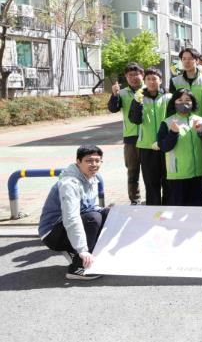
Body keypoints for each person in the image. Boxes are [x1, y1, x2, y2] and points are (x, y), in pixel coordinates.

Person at [38, 145, 108, 280]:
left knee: (107, 214)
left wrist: (110, 211)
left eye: (97, 160)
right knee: (93, 218)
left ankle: (87, 254)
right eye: (89, 161)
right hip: (52, 233)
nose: (94, 164)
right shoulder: (69, 184)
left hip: (66, 228)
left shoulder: (93, 177)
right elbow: (71, 218)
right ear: (78, 161)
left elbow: (92, 207)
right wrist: (82, 249)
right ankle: (78, 267)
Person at [157, 89, 202, 206]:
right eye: (180, 100)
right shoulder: (167, 123)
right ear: (174, 102)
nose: (184, 103)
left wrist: (201, 132)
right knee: (179, 210)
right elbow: (164, 147)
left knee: (197, 209)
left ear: (193, 102)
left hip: (199, 173)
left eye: (187, 100)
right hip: (178, 175)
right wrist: (173, 133)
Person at [128, 67, 171, 205]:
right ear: (145, 81)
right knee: (151, 182)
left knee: (168, 181)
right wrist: (137, 103)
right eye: (148, 79)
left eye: (154, 79)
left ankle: (168, 208)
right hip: (146, 146)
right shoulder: (139, 97)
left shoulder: (168, 97)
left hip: (166, 145)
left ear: (160, 80)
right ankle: (153, 210)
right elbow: (135, 120)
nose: (152, 82)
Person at [108, 62, 144, 205]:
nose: (133, 77)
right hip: (131, 138)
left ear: (142, 75)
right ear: (126, 77)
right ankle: (135, 200)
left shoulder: (150, 89)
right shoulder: (122, 93)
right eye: (130, 75)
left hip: (149, 137)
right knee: (132, 171)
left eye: (136, 74)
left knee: (152, 172)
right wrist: (114, 94)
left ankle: (154, 200)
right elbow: (113, 108)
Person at [169, 48, 202, 118]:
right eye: (184, 59)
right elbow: (172, 105)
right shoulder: (174, 81)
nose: (187, 62)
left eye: (190, 59)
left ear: (197, 61)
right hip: (180, 122)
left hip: (200, 121)